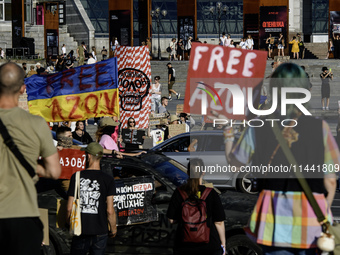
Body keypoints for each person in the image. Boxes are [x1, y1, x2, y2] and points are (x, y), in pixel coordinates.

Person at [225, 63, 338, 254]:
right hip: (310, 222)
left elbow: (235, 162)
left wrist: (228, 135)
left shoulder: (258, 125)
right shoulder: (320, 128)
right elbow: (330, 181)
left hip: (273, 221)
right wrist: (322, 209)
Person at [0, 62, 61, 255]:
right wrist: (34, 167)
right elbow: (54, 171)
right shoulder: (36, 124)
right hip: (23, 215)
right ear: (23, 89)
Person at [167, 158, 226, 255]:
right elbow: (219, 222)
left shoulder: (179, 192)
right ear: (203, 172)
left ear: (188, 172)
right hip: (209, 246)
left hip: (184, 247)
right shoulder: (211, 193)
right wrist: (223, 243)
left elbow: (171, 220)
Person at [67, 142, 117, 255]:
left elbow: (69, 208)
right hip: (100, 231)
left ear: (88, 156)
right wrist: (113, 228)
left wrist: (68, 224)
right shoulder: (108, 179)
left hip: (80, 230)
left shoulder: (77, 176)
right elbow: (110, 210)